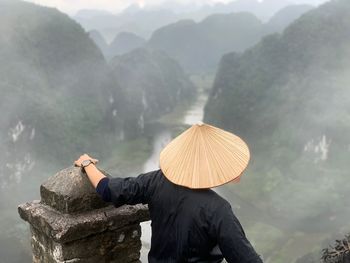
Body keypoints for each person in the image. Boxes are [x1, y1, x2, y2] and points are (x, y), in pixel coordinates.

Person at [74, 123, 263, 263]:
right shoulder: (219, 209)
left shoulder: (156, 181)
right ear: (212, 166)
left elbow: (108, 189)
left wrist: (87, 164)